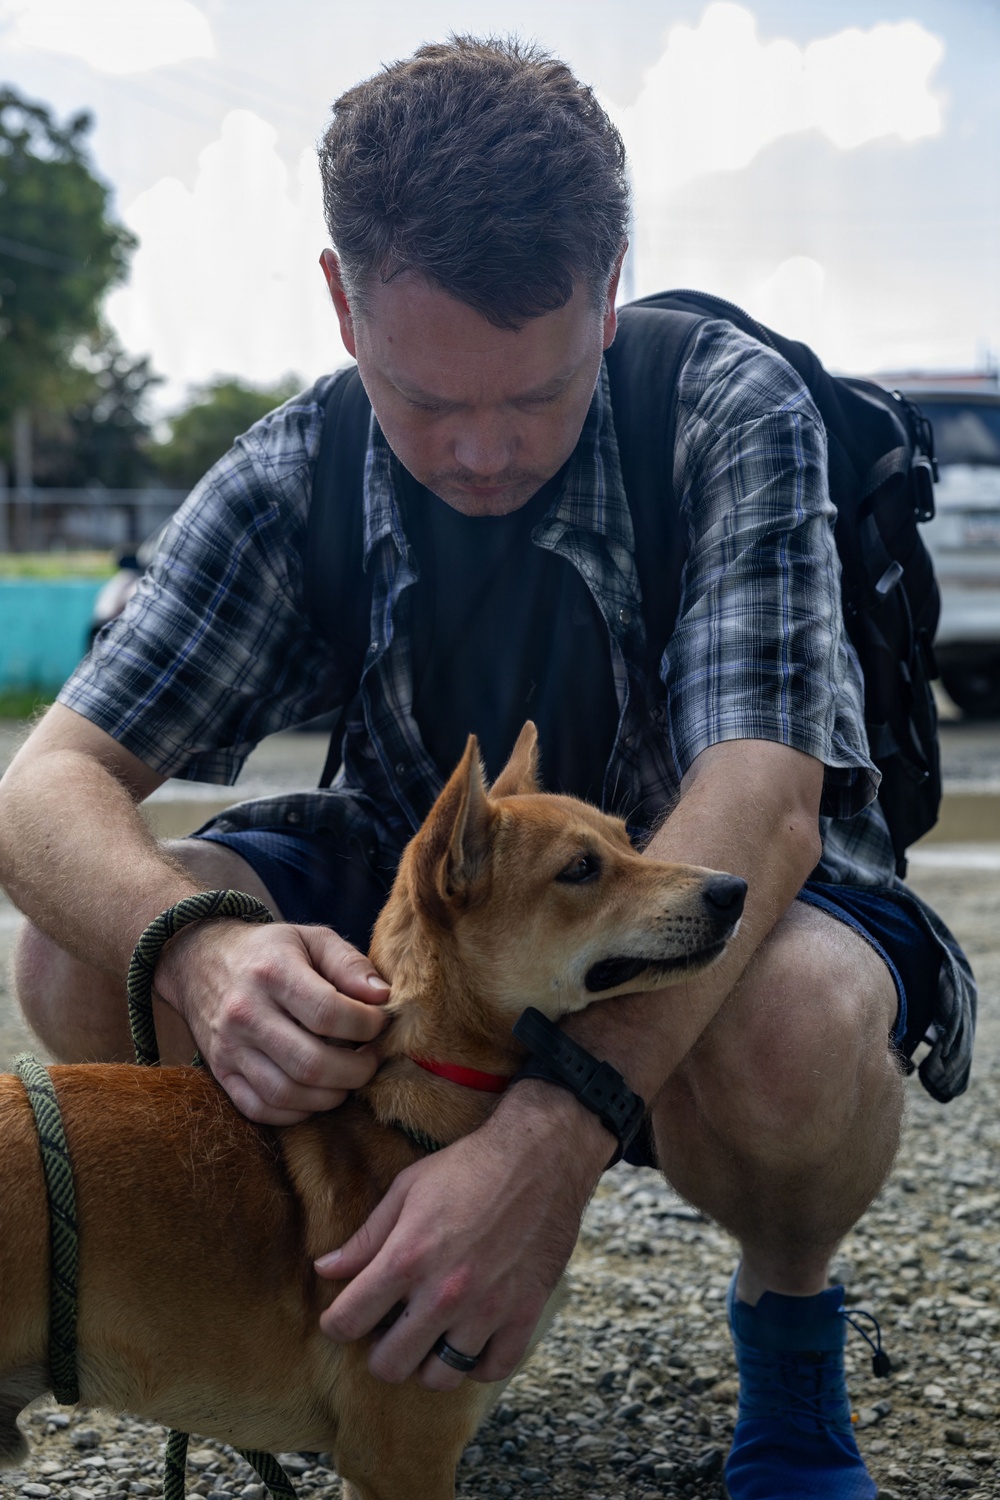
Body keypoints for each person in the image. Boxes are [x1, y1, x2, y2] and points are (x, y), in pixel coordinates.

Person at [0, 36, 975, 1500]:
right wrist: (197, 951)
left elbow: (763, 806)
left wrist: (550, 1139)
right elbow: (41, 788)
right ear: (343, 305)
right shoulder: (292, 474)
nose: (478, 454)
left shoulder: (729, 412)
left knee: (793, 1026)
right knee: (85, 951)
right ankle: (374, 1317)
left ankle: (789, 1328)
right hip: (437, 925)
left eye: (535, 397)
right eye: (423, 399)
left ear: (609, 287)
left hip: (706, 915)